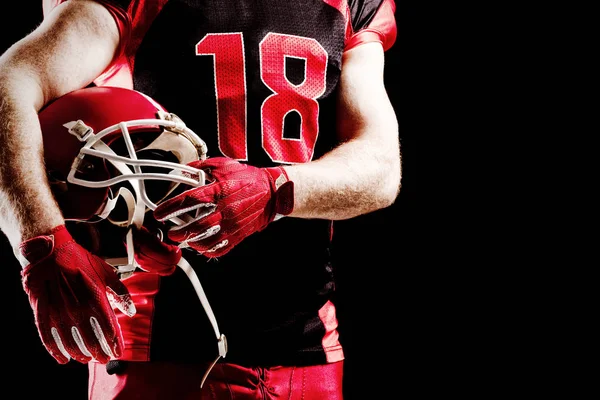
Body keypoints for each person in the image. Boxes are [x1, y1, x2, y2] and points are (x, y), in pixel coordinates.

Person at [0, 0, 400, 398]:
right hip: (157, 352)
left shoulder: (351, 5)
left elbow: (380, 167)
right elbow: (10, 82)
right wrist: (40, 239)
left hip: (308, 350)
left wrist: (276, 189)